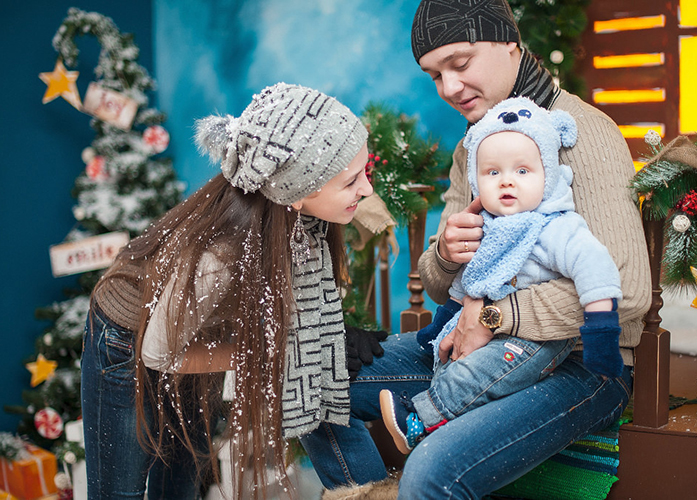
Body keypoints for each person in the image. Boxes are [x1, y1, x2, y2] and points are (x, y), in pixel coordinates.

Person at [300, 1, 651, 498]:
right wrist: (446, 252)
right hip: (472, 345)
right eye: (434, 75)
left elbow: (629, 291)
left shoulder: (582, 130)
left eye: (460, 64)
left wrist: (492, 316)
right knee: (312, 380)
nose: (449, 89)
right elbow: (440, 281)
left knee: (429, 471)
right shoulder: (474, 144)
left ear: (510, 42)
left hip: (583, 365)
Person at [80, 82, 374, 499]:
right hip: (132, 338)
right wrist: (273, 349)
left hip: (198, 337)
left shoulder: (302, 224)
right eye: (351, 182)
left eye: (367, 172)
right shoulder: (221, 253)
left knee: (182, 483)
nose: (367, 190)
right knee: (119, 490)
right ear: (298, 191)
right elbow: (159, 352)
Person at [379, 96, 625, 454]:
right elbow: (468, 282)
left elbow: (597, 270)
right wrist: (439, 325)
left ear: (549, 176)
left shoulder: (554, 227)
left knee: (477, 372)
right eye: (493, 173)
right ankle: (445, 421)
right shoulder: (487, 226)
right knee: (456, 364)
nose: (507, 182)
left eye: (522, 171)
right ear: (477, 182)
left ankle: (420, 418)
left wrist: (602, 336)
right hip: (490, 334)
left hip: (538, 339)